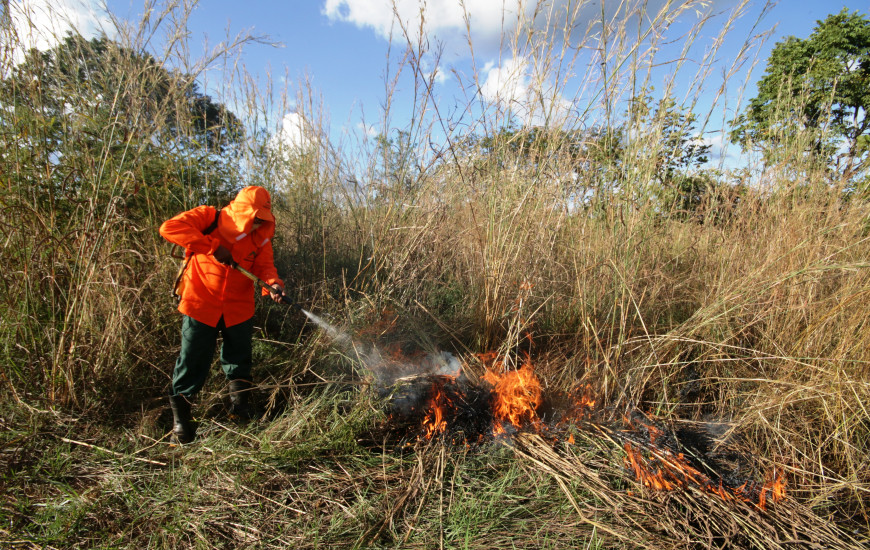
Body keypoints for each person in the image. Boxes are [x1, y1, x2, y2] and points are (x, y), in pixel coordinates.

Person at [159, 186, 286, 444]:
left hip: (238, 308)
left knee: (239, 360)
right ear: (241, 211)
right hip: (200, 303)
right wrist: (212, 246)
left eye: (262, 219)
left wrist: (274, 284)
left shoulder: (260, 237)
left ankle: (239, 412)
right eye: (254, 217)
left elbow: (265, 267)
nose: (257, 223)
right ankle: (182, 425)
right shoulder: (209, 217)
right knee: (192, 360)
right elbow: (169, 228)